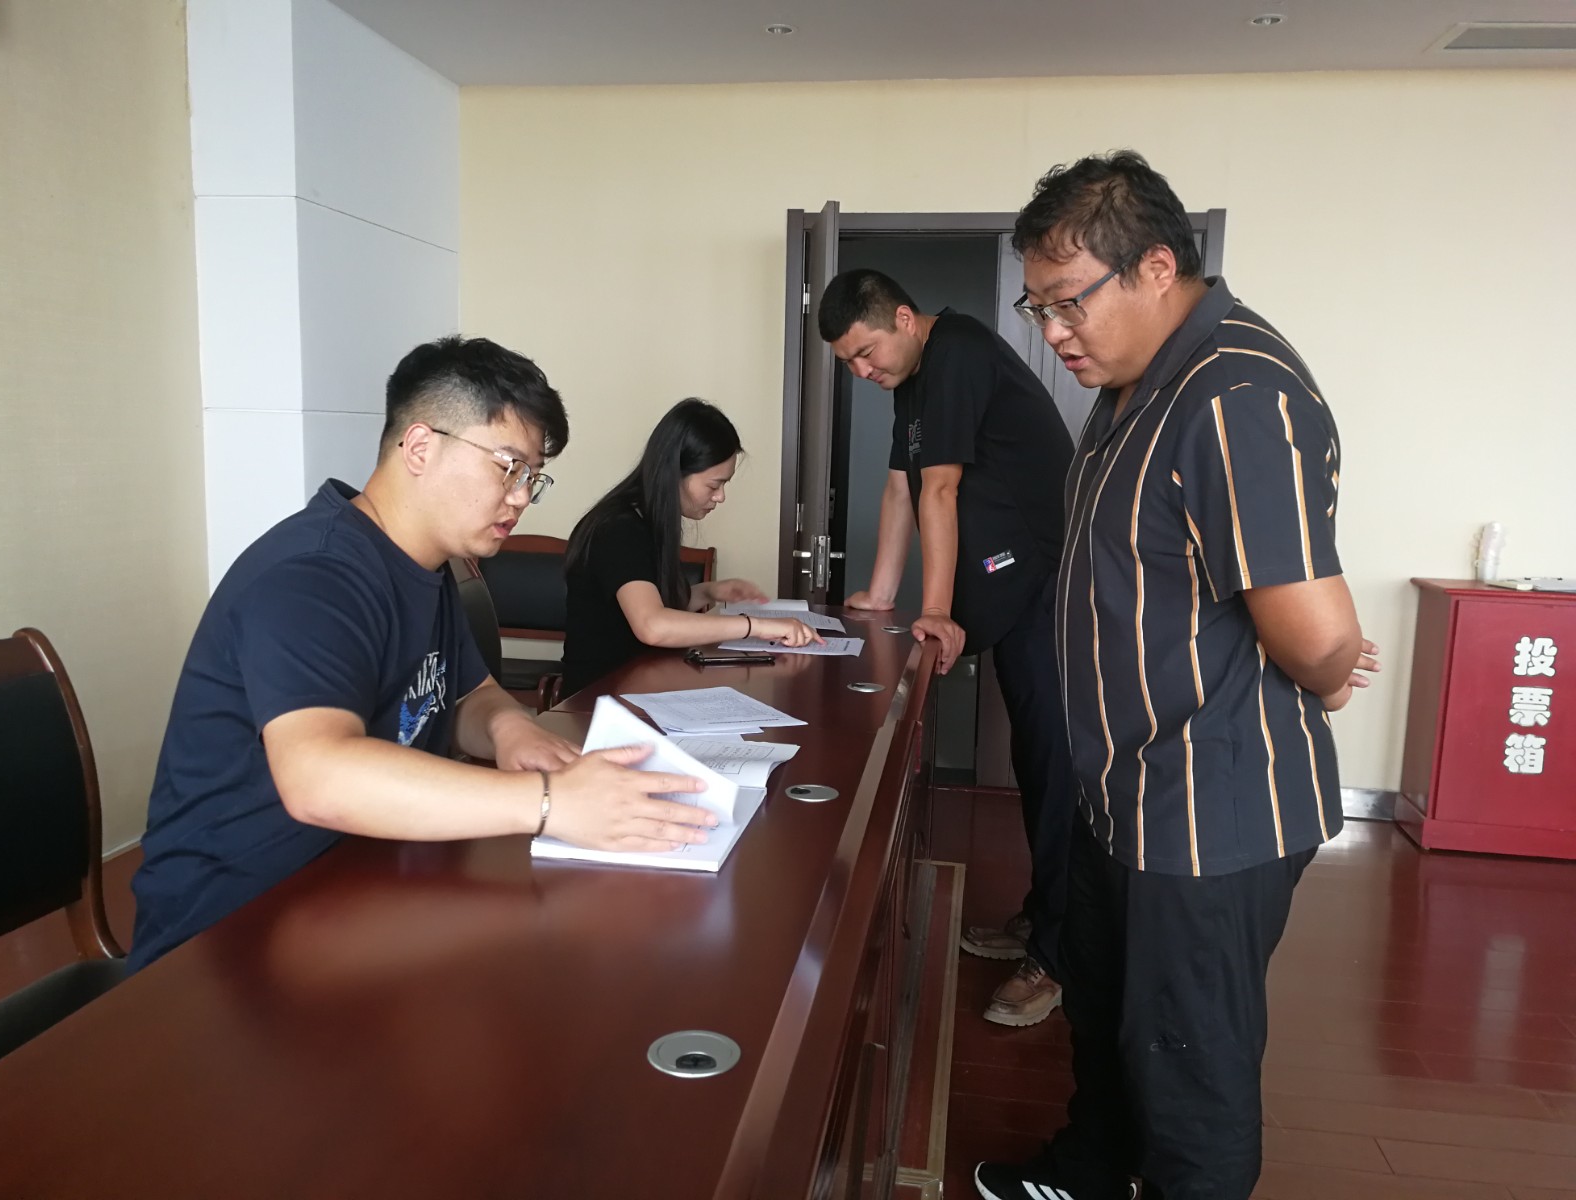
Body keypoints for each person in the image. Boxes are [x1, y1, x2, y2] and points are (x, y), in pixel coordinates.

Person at [973, 152, 1381, 1200]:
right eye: (1037, 306)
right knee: (1108, 1014)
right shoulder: (1134, 386)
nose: (1052, 331)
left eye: (1067, 301)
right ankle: (1086, 1173)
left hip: (1207, 809)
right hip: (1128, 786)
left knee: (1189, 1067)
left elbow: (1317, 635)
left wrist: (1331, 674)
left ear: (1156, 267)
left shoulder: (1234, 393)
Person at [129, 337, 720, 971]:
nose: (521, 497)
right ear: (419, 447)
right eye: (509, 467)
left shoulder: (428, 567)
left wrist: (512, 730)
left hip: (365, 885)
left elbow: (468, 693)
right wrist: (550, 802)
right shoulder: (312, 575)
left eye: (532, 477)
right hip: (232, 933)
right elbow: (318, 777)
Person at [818, 269, 1078, 1027]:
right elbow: (900, 486)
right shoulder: (912, 380)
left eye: (865, 352)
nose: (862, 372)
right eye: (848, 363)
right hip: (1017, 583)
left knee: (1056, 767)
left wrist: (934, 610)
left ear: (904, 318)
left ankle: (1059, 957)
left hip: (1047, 583)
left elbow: (940, 489)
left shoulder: (957, 351)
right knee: (1034, 758)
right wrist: (880, 594)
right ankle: (1044, 920)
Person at [561, 398, 817, 695]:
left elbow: (651, 605)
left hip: (640, 684)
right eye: (714, 485)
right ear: (675, 473)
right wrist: (756, 626)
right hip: (596, 698)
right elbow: (652, 625)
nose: (720, 497)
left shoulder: (645, 521)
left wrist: (709, 592)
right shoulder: (617, 529)